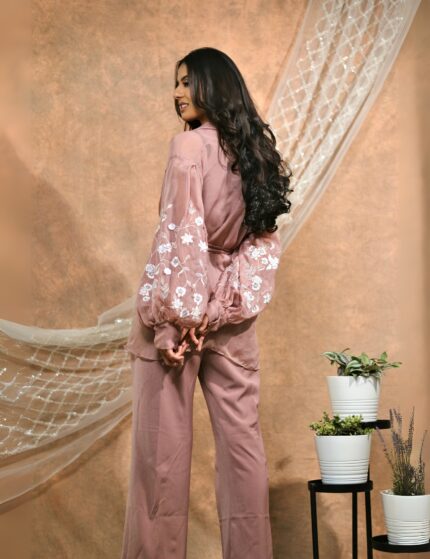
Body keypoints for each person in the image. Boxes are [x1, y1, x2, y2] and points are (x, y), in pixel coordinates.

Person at [121, 47, 293, 559]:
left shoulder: (188, 146)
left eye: (185, 82)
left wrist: (174, 321)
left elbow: (182, 234)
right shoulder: (255, 157)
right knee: (243, 451)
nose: (176, 93)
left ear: (212, 86)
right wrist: (218, 309)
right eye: (175, 83)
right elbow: (260, 247)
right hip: (231, 318)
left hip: (178, 312)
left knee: (161, 460)